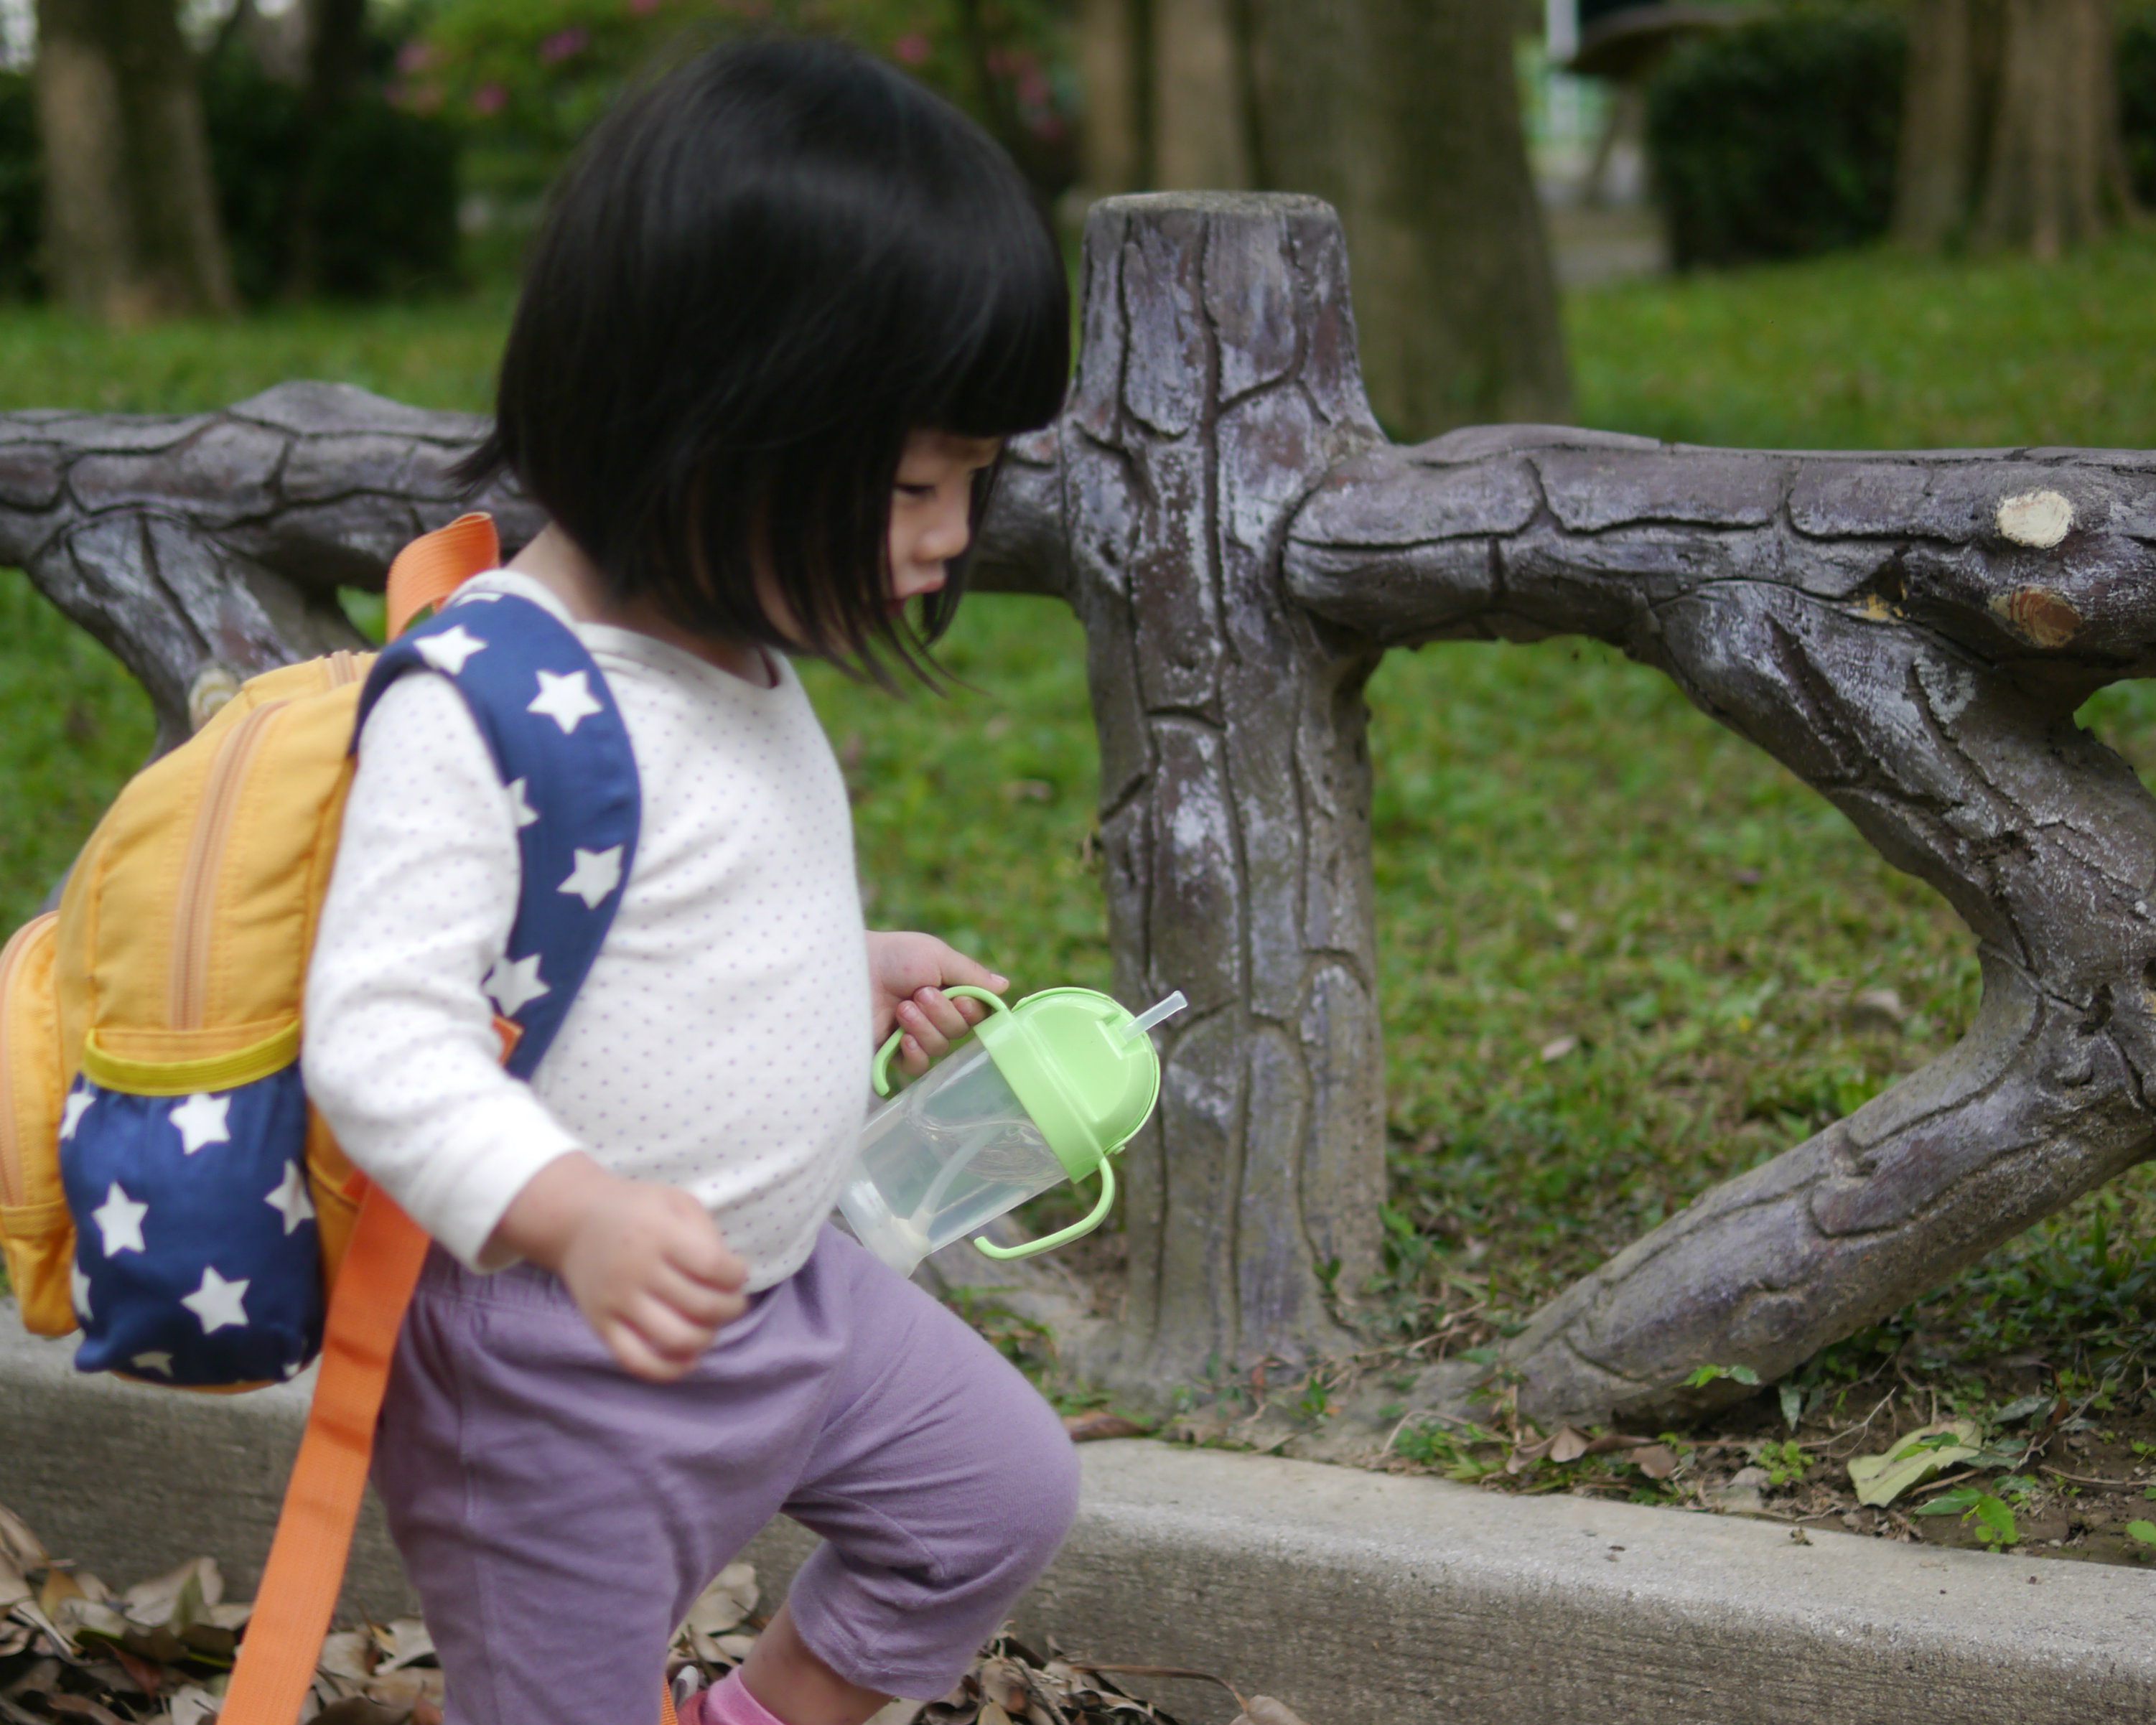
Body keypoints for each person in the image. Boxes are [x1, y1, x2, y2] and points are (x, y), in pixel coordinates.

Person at [302, 37, 1077, 1725]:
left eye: (973, 481)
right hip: (557, 1368)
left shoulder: (730, 640)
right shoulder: (484, 696)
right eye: (909, 483)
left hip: (789, 1290)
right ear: (708, 424)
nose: (953, 533)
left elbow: (649, 904)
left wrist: (838, 966)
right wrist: (571, 1211)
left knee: (990, 1496)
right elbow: (376, 1037)